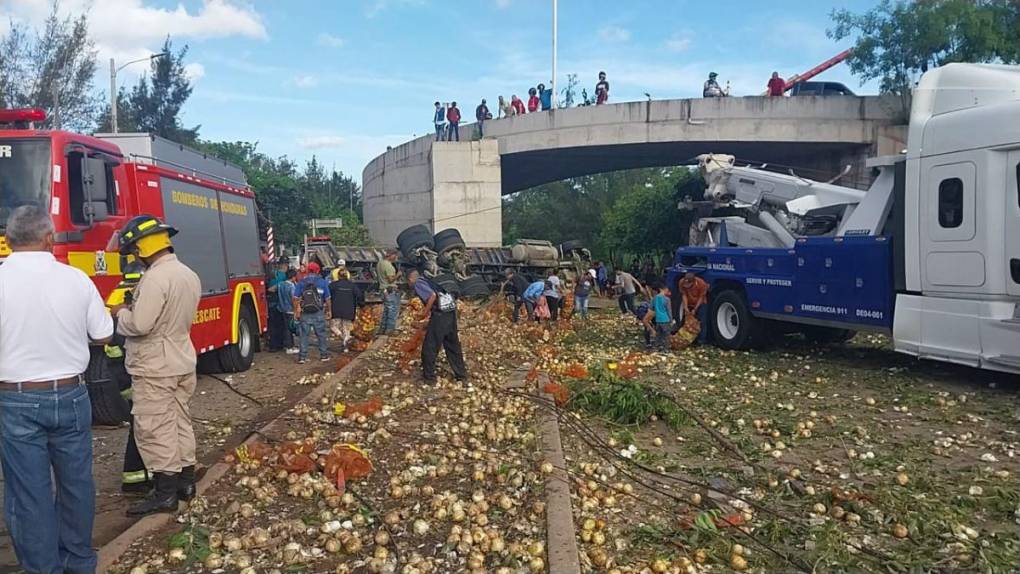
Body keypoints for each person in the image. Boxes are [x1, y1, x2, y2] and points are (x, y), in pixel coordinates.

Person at [0, 205, 113, 572]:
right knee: (77, 485)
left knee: (28, 494)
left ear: (9, 239)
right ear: (49, 238)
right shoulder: (76, 279)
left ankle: (43, 569)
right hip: (71, 394)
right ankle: (80, 562)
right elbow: (104, 333)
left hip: (15, 398)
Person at [109, 215, 201, 517]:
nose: (134, 256)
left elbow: (141, 324)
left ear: (144, 247)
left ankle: (164, 495)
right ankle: (186, 482)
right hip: (180, 359)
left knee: (156, 428)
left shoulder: (155, 278)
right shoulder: (187, 274)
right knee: (179, 421)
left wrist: (121, 312)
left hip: (155, 366)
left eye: (134, 250)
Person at [409, 269, 468, 385]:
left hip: (440, 314)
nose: (409, 285)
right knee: (452, 345)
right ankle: (462, 376)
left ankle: (429, 378)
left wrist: (424, 313)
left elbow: (432, 296)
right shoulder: (430, 281)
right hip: (450, 312)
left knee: (430, 347)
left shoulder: (418, 283)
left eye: (408, 282)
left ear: (411, 279)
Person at [293, 262, 331, 364]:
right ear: (318, 271)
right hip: (318, 312)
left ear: (307, 270)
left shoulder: (301, 282)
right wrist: (329, 311)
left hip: (305, 313)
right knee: (321, 334)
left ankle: (302, 357)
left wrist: (296, 310)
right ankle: (324, 355)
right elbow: (327, 299)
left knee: (304, 335)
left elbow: (296, 298)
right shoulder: (323, 282)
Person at [329, 268, 363, 351]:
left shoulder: (333, 285)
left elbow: (327, 296)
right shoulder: (352, 285)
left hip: (336, 310)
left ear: (338, 276)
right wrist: (361, 305)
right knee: (346, 329)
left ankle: (344, 339)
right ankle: (346, 345)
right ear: (347, 275)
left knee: (333, 327)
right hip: (349, 310)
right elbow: (359, 295)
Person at [266, 256, 289, 351]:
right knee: (280, 325)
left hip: (271, 303)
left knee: (272, 325)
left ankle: (273, 345)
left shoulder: (272, 274)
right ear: (286, 265)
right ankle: (278, 345)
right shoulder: (284, 276)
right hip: (279, 304)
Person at [678, 270, 710, 341]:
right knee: (684, 320)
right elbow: (684, 295)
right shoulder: (681, 282)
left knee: (701, 321)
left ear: (693, 282)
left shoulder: (701, 284)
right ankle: (684, 338)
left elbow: (701, 298)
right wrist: (686, 307)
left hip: (700, 303)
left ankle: (701, 340)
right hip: (689, 302)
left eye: (688, 285)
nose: (687, 287)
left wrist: (695, 309)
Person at [376, 249, 401, 334]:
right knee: (392, 310)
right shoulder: (388, 265)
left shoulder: (380, 263)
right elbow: (390, 280)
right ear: (391, 255)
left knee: (386, 310)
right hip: (390, 290)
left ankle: (382, 329)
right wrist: (398, 275)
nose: (396, 258)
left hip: (383, 289)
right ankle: (390, 329)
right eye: (395, 255)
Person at [647, 283, 673, 351]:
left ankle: (656, 347)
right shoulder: (667, 299)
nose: (667, 291)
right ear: (661, 289)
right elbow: (669, 311)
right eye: (666, 290)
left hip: (658, 320)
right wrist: (671, 320)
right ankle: (665, 349)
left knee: (658, 334)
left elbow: (651, 308)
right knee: (666, 335)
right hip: (665, 319)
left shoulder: (654, 298)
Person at [278, 269, 299, 353]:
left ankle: (289, 346)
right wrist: (295, 311)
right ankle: (290, 346)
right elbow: (293, 299)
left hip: (282, 308)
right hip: (290, 310)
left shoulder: (280, 285)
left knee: (286, 327)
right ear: (293, 277)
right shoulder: (291, 286)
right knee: (290, 328)